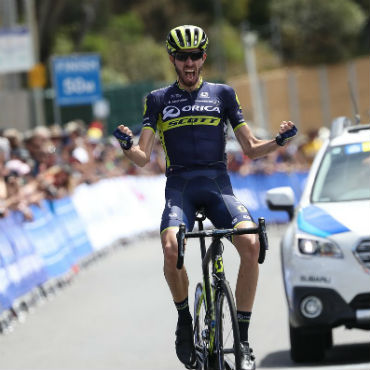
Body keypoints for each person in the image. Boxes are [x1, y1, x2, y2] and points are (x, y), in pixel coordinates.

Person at [113, 25, 297, 370]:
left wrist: (279, 141)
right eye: (182, 56)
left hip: (218, 188)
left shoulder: (223, 94)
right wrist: (126, 146)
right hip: (180, 188)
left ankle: (241, 341)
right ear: (172, 59)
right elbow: (142, 156)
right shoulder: (157, 100)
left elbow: (251, 148)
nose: (189, 62)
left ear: (204, 57)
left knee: (251, 243)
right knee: (170, 248)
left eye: (195, 55)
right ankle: (185, 323)